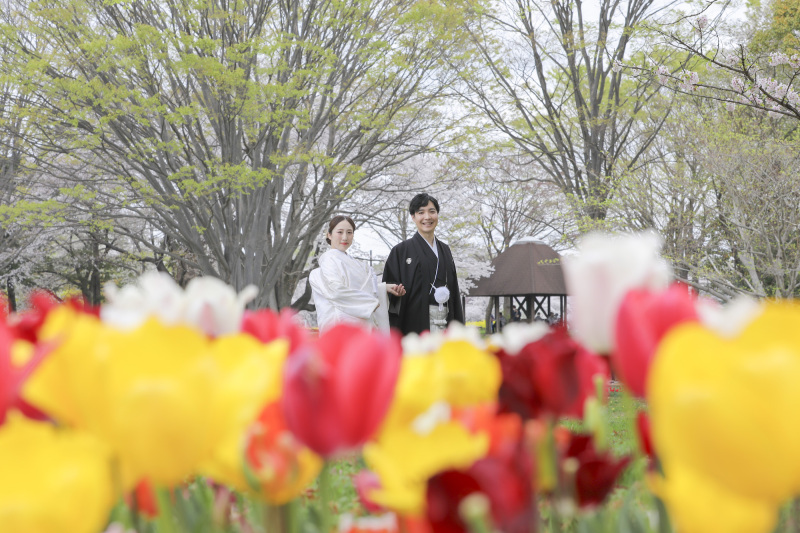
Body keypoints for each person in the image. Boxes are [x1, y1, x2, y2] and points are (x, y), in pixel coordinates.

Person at [382, 193, 464, 335]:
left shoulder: (445, 250)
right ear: (413, 217)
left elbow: (454, 290)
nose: (427, 217)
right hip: (414, 324)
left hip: (445, 321)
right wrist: (396, 292)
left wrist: (458, 326)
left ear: (437, 214)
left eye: (432, 211)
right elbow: (389, 291)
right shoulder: (401, 251)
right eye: (421, 212)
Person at [310, 215, 405, 331]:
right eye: (340, 232)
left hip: (362, 322)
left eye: (349, 232)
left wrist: (384, 288)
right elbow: (335, 291)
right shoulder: (329, 260)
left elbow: (362, 289)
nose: (345, 237)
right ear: (329, 235)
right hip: (343, 325)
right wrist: (370, 303)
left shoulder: (356, 263)